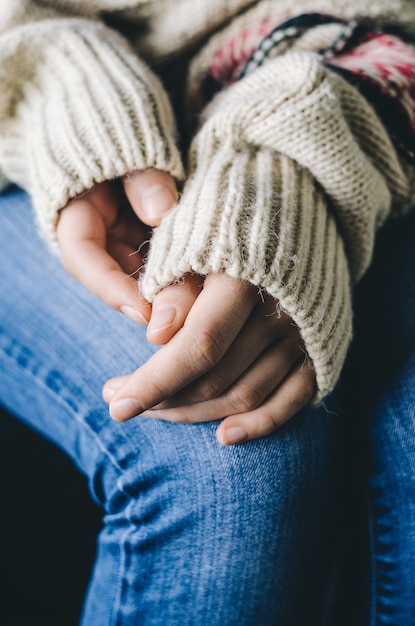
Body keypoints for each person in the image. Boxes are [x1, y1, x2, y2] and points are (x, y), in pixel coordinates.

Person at [0, 0, 415, 623]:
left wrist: (307, 135)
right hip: (40, 86)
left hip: (349, 79)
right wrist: (53, 73)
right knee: (229, 469)